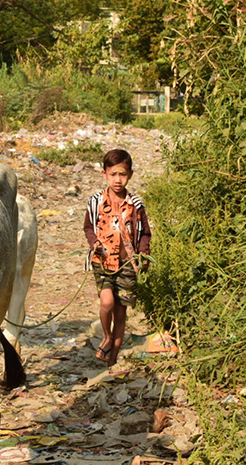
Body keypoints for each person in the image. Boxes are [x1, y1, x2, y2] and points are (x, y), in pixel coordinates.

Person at [83, 149, 151, 366]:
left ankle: (112, 359)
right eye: (113, 174)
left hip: (128, 264)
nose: (118, 180)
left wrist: (144, 253)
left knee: (121, 314)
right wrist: (94, 243)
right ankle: (106, 335)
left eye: (122, 174)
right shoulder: (95, 202)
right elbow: (88, 227)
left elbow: (145, 232)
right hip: (103, 262)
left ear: (130, 174)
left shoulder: (136, 205)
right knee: (107, 301)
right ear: (104, 174)